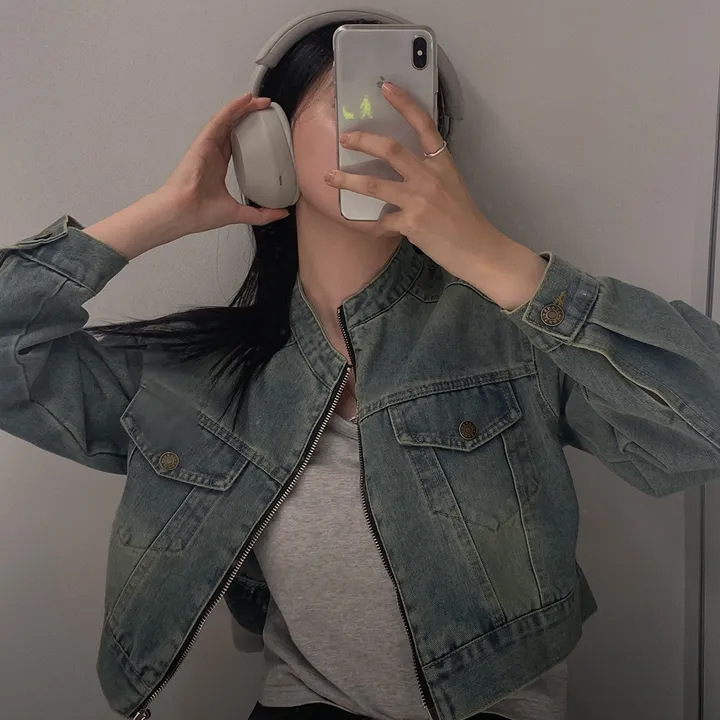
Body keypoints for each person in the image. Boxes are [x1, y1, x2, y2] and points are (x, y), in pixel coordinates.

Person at [2, 16, 720, 720]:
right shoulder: (201, 381)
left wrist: (490, 256)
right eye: (352, 102)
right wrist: (164, 212)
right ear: (269, 141)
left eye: (412, 108)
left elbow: (704, 426)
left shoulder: (516, 339)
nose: (387, 133)